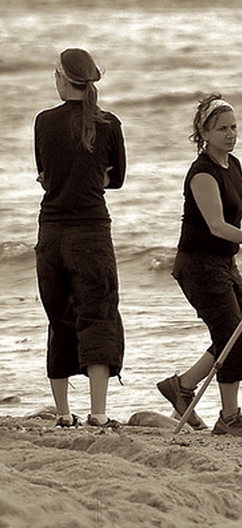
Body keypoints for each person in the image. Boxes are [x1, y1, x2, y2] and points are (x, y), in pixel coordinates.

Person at [156, 94, 242, 438]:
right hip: (198, 266)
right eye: (222, 129)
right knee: (232, 337)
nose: (231, 134)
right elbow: (217, 226)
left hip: (223, 263)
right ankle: (230, 418)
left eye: (234, 127)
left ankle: (182, 385)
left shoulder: (231, 164)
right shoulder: (202, 173)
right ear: (203, 133)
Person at [34, 48, 126, 429]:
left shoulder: (43, 122)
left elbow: (44, 173)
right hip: (91, 231)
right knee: (98, 316)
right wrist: (91, 179)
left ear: (61, 77)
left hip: (51, 231)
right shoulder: (108, 123)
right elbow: (116, 178)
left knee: (59, 318)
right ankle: (98, 412)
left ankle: (62, 413)